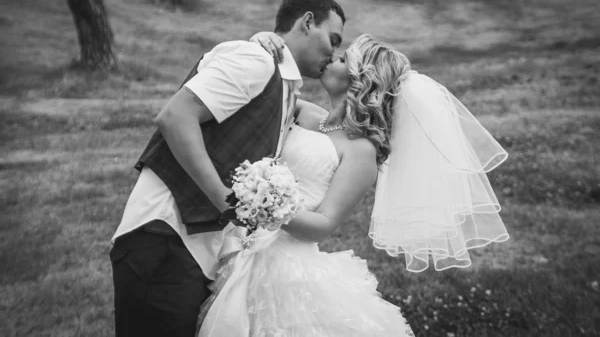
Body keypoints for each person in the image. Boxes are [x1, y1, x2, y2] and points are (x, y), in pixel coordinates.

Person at [197, 34, 509, 336]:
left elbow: (323, 224)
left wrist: (267, 205)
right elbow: (261, 91)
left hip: (281, 263)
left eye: (343, 59)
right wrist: (263, 39)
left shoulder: (362, 151)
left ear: (362, 80)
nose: (331, 59)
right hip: (235, 239)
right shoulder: (308, 116)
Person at [109, 0, 345, 337]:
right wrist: (225, 199)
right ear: (308, 22)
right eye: (334, 38)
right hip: (164, 236)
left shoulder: (283, 86)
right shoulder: (255, 60)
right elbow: (175, 117)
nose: (334, 51)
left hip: (197, 252)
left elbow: (335, 125)